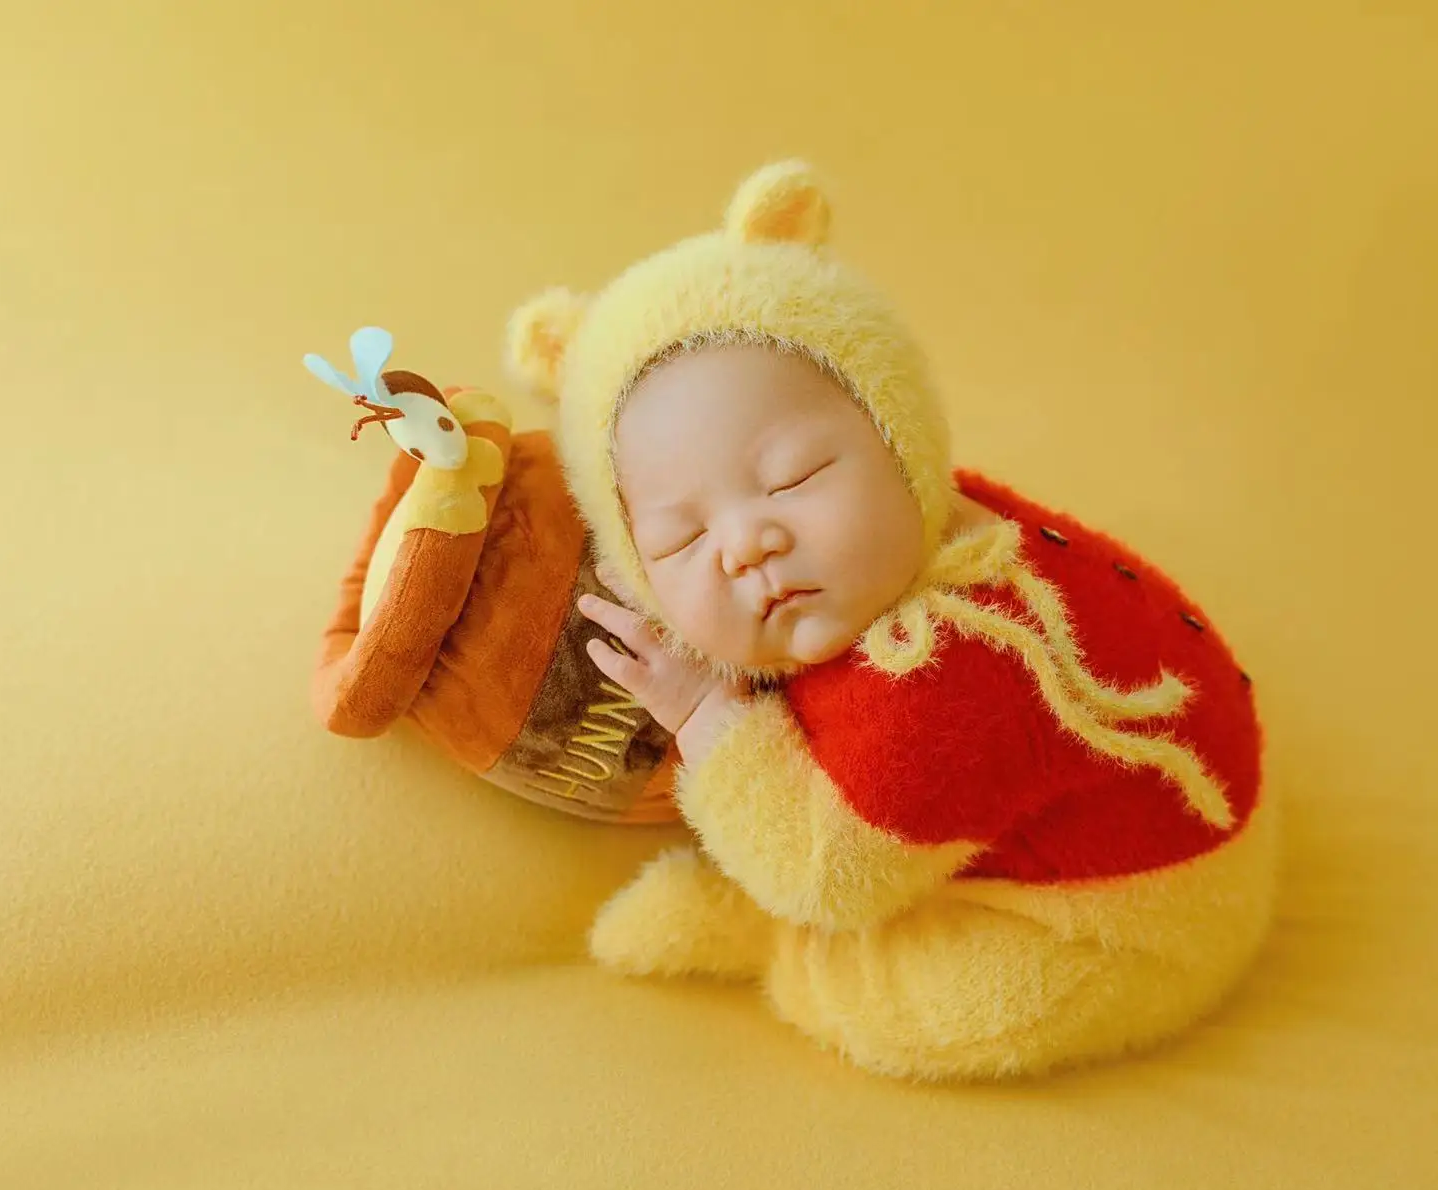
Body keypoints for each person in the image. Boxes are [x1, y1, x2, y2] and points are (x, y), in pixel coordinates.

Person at [505, 160, 1278, 1081]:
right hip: (1153, 786)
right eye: (680, 539)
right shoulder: (917, 532)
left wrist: (709, 717)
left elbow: (826, 877)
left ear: (900, 438)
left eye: (792, 478)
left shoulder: (942, 673)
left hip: (1132, 921)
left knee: (927, 1006)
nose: (746, 546)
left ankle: (768, 942)